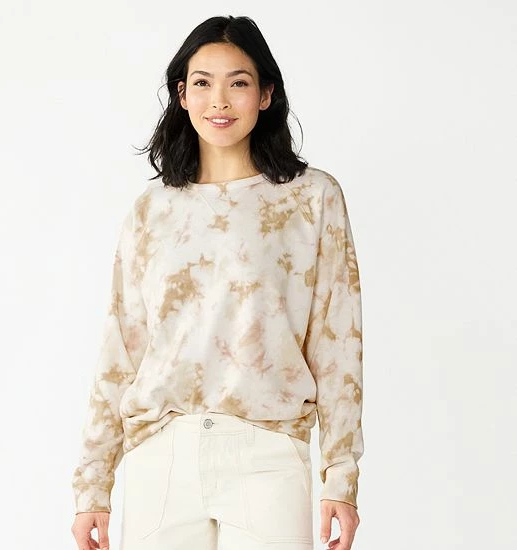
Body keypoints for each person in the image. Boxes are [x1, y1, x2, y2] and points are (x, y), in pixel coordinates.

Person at [71, 14, 364, 550]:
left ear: (266, 94)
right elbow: (121, 347)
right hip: (162, 456)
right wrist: (93, 484)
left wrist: (340, 474)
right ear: (182, 95)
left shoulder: (312, 198)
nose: (220, 101)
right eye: (203, 83)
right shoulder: (152, 210)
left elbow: (338, 340)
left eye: (238, 82)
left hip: (269, 452)